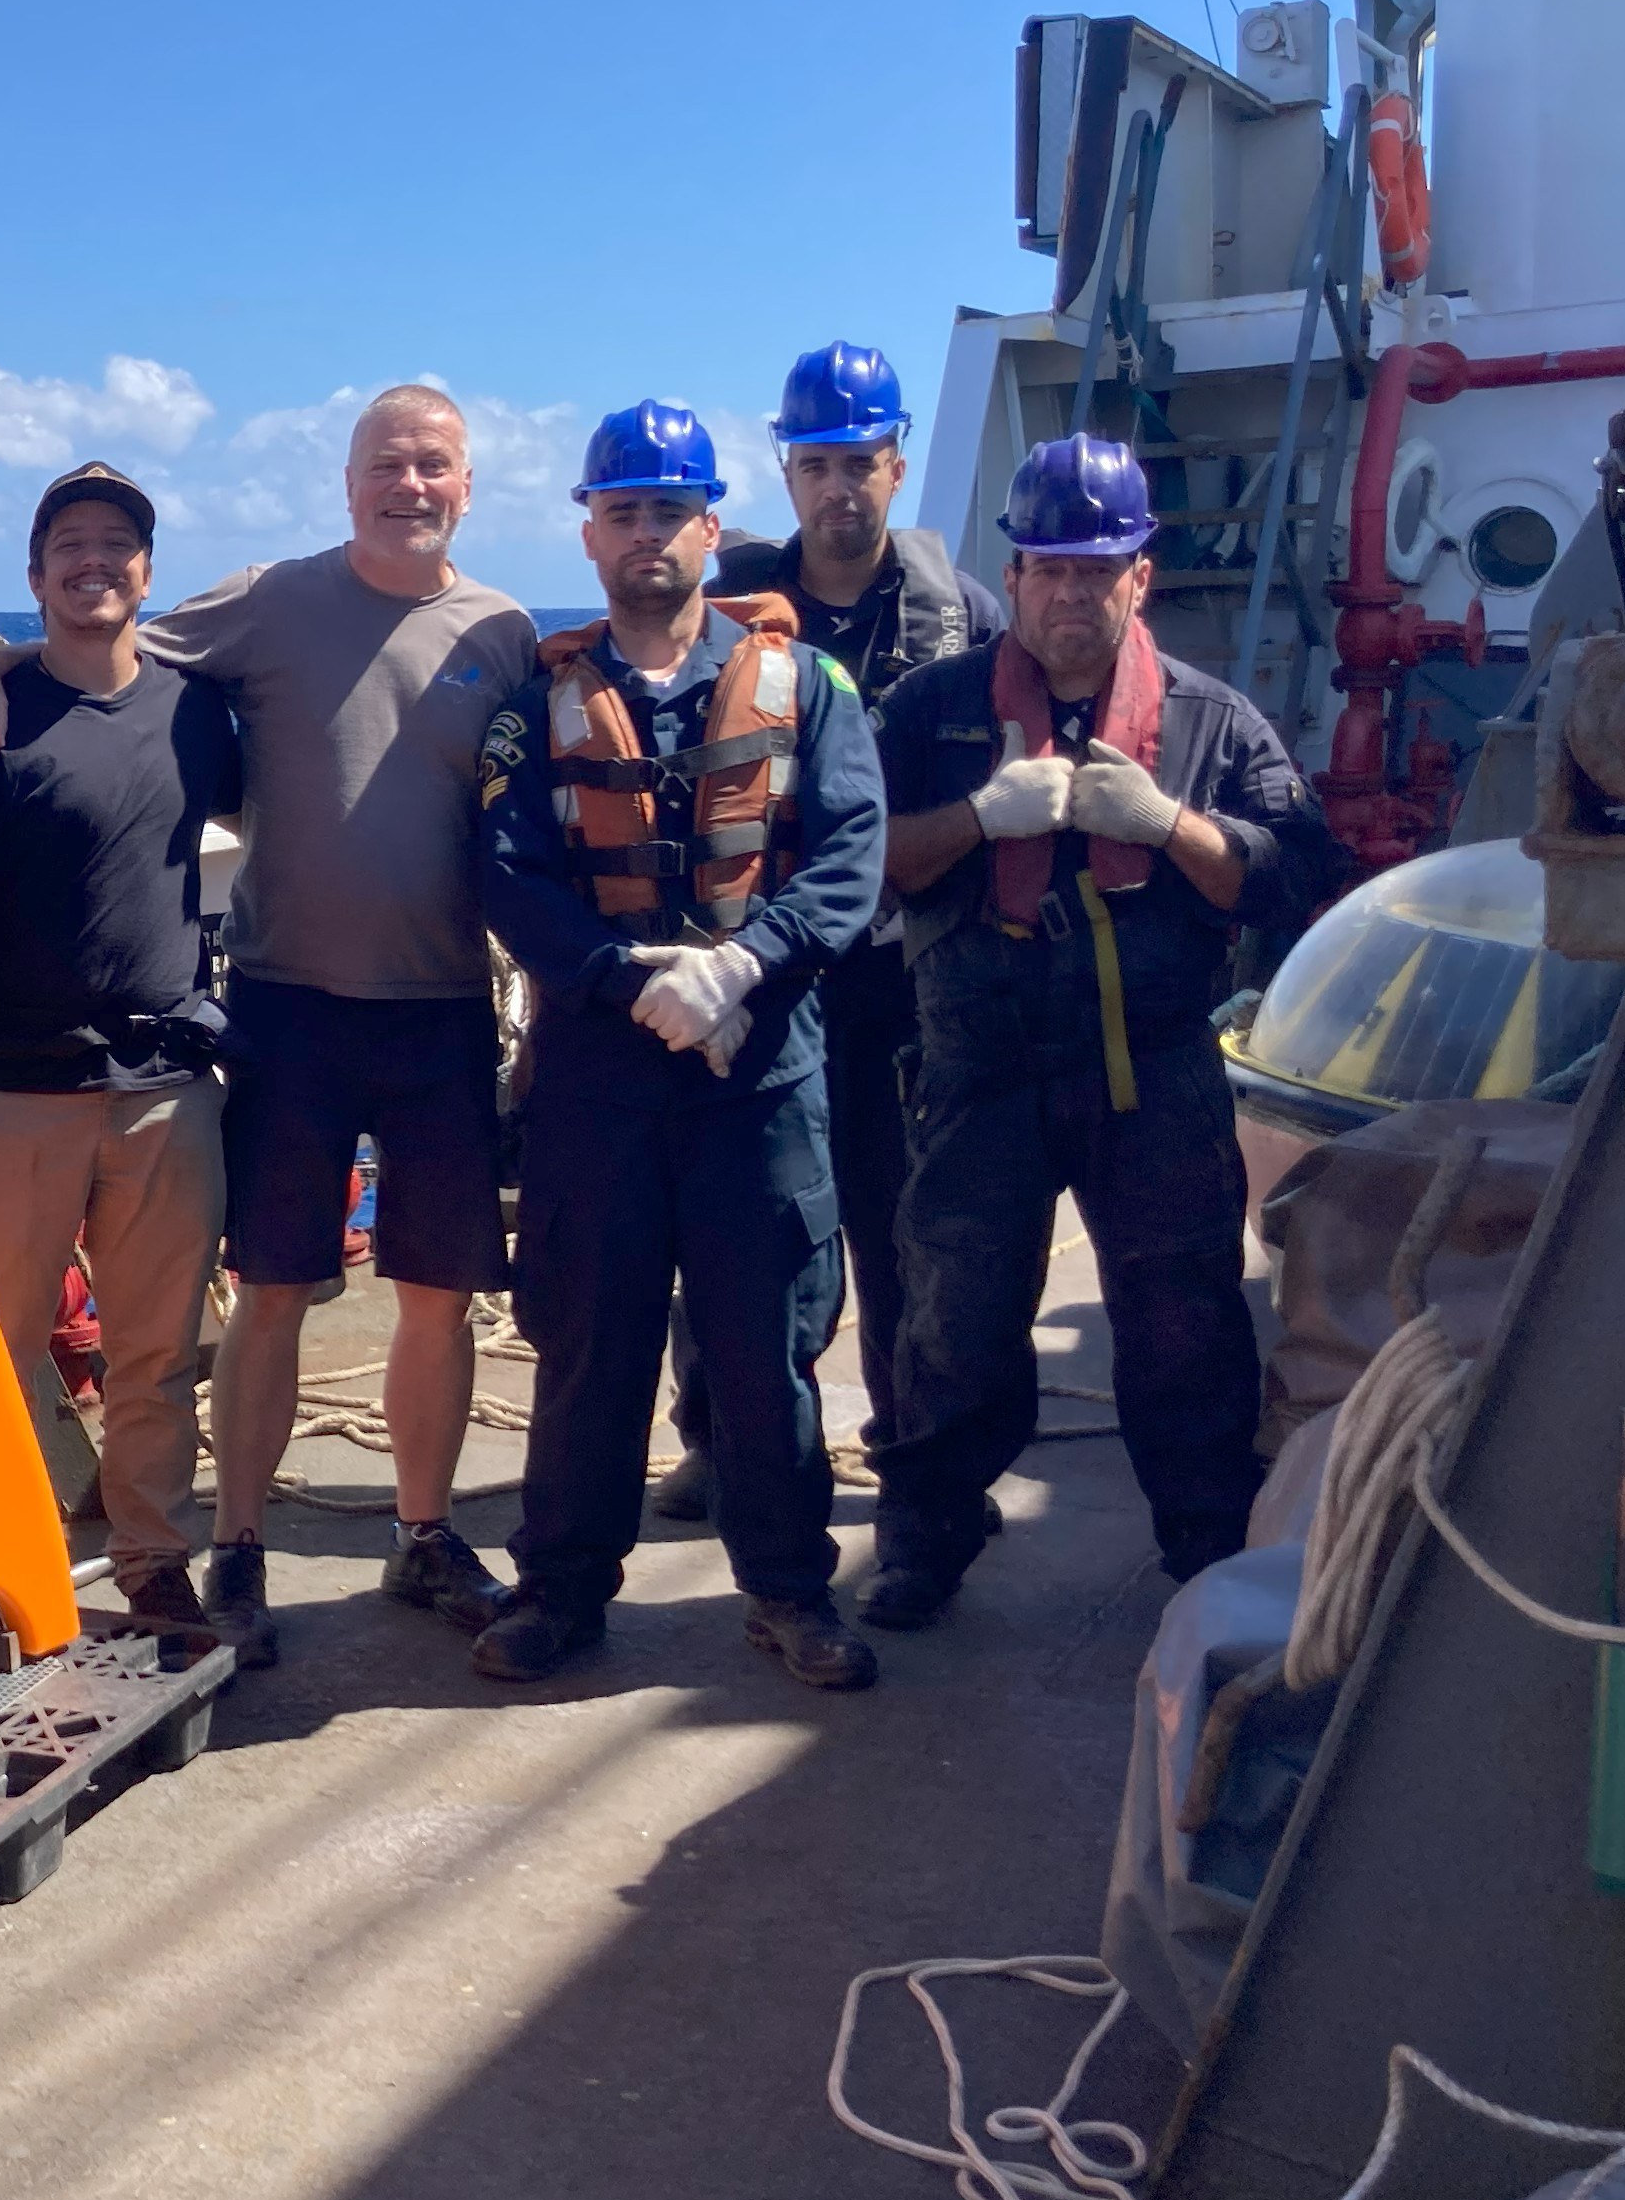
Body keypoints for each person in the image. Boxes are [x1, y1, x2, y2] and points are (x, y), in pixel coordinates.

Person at [0, 389, 539, 1667]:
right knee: (267, 1291)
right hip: (286, 1010)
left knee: (428, 1296)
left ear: (468, 486)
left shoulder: (510, 632)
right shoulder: (267, 601)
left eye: (433, 466)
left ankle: (416, 1534)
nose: (409, 486)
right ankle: (230, 1548)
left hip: (432, 1011)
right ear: (348, 480)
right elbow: (100, 640)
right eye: (387, 464)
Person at [863, 436, 1333, 1623]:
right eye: (1049, 570)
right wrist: (976, 816)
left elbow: (1294, 877)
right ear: (1013, 578)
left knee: (1184, 1323)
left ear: (1141, 577)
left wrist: (1173, 824)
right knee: (953, 1317)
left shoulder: (1217, 725)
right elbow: (859, 862)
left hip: (1156, 1066)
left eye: (1097, 570)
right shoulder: (932, 712)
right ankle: (924, 1541)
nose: (1071, 594)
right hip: (980, 1061)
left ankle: (1209, 1551)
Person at [470, 404, 888, 1688]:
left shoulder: (809, 689)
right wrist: (619, 978)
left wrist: (739, 968)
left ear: (713, 527)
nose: (647, 534)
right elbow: (503, 870)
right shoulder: (532, 708)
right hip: (599, 1081)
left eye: (670, 511)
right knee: (587, 1344)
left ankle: (789, 1592)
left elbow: (848, 860)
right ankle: (561, 1594)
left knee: (767, 1348)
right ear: (589, 534)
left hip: (759, 1079)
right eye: (623, 512)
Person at [652, 343, 1010, 1521]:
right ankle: (726, 1439)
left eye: (861, 461)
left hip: (912, 982)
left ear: (897, 467)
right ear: (786, 473)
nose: (839, 487)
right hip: (768, 972)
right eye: (817, 464)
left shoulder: (967, 619)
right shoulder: (727, 610)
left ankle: (916, 1452)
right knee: (751, 1229)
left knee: (911, 1232)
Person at [0, 462, 243, 1619]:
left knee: (156, 1357)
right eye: (70, 543)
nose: (95, 561)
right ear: (36, 572)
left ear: (148, 569)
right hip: (12, 1095)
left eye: (118, 542)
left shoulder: (200, 711)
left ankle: (154, 1565)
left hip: (163, 1093)